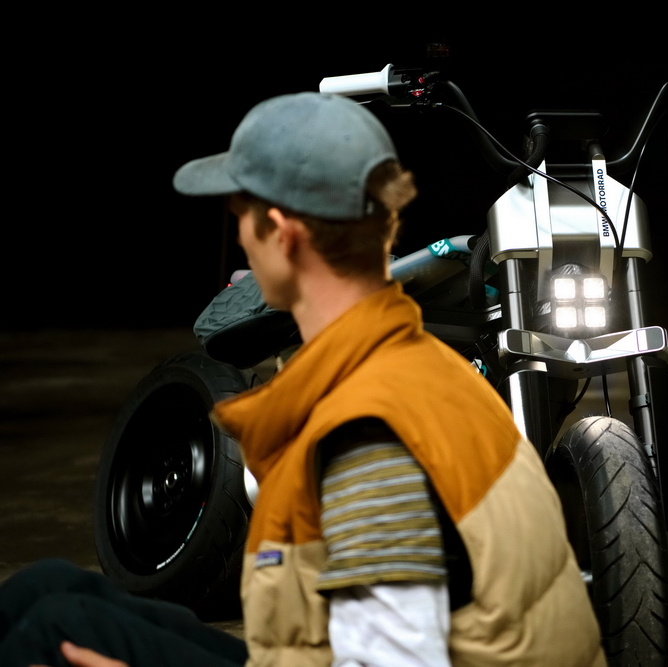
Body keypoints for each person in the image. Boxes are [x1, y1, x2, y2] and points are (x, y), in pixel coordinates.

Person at [1, 93, 605, 667]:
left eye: (242, 216)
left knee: (49, 632)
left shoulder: (365, 434)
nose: (240, 237)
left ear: (281, 232)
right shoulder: (413, 359)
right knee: (44, 588)